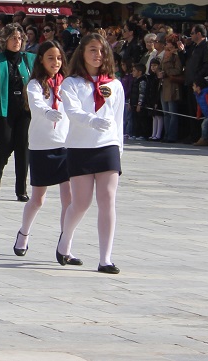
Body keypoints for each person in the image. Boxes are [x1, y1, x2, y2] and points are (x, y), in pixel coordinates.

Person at [57, 33, 125, 274]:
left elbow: (119, 119)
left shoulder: (114, 85)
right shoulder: (71, 83)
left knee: (107, 200)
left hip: (108, 146)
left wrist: (119, 148)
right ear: (83, 53)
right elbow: (72, 111)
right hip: (80, 147)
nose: (98, 55)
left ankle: (105, 258)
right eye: (93, 50)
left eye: (102, 50)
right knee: (81, 203)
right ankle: (65, 240)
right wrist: (92, 120)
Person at [13, 40, 73, 257]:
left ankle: (65, 244)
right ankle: (24, 233)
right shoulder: (35, 84)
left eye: (58, 58)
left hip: (66, 145)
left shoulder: (67, 84)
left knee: (69, 199)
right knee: (38, 199)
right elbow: (36, 103)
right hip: (42, 146)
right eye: (50, 58)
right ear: (41, 60)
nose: (55, 62)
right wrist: (47, 112)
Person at [0, 24, 35, 202]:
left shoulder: (29, 59)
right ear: (5, 40)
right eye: (13, 38)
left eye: (19, 38)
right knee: (4, 144)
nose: (17, 41)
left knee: (23, 147)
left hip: (25, 109)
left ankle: (21, 189)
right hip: (3, 109)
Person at [155, 34, 184, 142]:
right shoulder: (165, 54)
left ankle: (172, 136)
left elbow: (178, 70)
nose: (166, 44)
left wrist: (166, 73)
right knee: (165, 113)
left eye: (168, 43)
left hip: (172, 85)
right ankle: (166, 134)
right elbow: (160, 67)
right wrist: (159, 72)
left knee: (172, 113)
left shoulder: (176, 55)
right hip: (163, 85)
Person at [193, 79, 208, 146]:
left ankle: (204, 139)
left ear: (198, 87)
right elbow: (199, 106)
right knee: (206, 125)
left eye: (194, 85)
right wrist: (198, 115)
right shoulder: (197, 95)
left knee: (204, 124)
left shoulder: (207, 94)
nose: (192, 87)